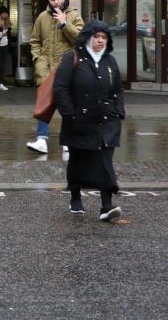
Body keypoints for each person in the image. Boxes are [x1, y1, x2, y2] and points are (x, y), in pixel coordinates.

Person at [54, 20, 126, 221]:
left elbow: (118, 89)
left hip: (107, 121)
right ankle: (75, 196)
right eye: (97, 37)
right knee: (78, 161)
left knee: (105, 162)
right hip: (80, 122)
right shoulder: (72, 58)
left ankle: (106, 206)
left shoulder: (109, 61)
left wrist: (119, 110)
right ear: (88, 38)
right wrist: (69, 114)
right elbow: (60, 88)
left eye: (104, 37)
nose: (100, 41)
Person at [26, 0, 84, 154]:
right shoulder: (42, 17)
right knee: (44, 103)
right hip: (46, 68)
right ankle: (41, 140)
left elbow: (81, 39)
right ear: (49, 1)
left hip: (66, 68)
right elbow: (35, 41)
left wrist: (65, 24)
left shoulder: (73, 15)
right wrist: (38, 60)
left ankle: (68, 140)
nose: (56, 2)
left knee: (68, 103)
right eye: (53, 0)